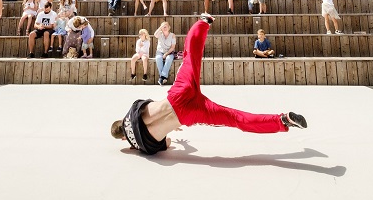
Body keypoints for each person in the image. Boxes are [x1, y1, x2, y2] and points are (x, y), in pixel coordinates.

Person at [111, 15, 307, 155]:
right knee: (190, 58)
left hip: (189, 114)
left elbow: (167, 142)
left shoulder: (143, 147)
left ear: (123, 140)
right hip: (176, 96)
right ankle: (203, 23)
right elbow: (149, 104)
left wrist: (164, 133)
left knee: (236, 118)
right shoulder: (132, 110)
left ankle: (282, 120)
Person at [153, 21, 176, 85]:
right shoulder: (159, 34)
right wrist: (160, 27)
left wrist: (166, 54)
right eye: (163, 27)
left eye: (166, 26)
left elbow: (172, 47)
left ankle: (162, 77)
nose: (164, 28)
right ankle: (163, 78)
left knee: (169, 59)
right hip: (160, 51)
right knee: (158, 58)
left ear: (169, 27)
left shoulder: (172, 35)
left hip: (169, 52)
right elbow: (155, 35)